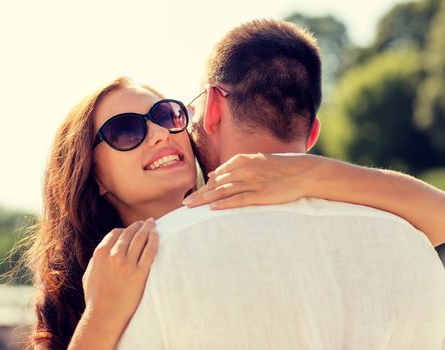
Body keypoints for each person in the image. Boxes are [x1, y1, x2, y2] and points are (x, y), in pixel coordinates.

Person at [27, 22, 445, 350]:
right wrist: (101, 315)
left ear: (204, 115)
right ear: (91, 174)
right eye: (125, 130)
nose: (158, 133)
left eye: (168, 115)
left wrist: (307, 171)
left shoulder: (189, 253)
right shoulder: (106, 286)